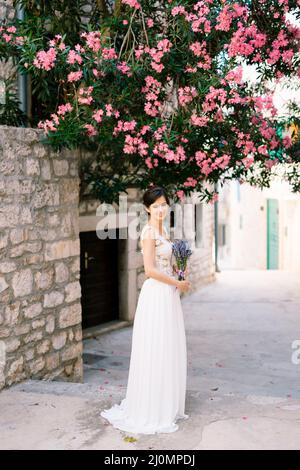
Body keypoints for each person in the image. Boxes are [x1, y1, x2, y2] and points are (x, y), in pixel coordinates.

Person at [100, 186, 191, 434]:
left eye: (164, 204)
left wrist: (181, 273)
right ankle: (152, 407)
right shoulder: (149, 232)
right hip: (156, 294)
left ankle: (166, 402)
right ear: (147, 209)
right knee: (156, 345)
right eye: (156, 206)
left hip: (168, 294)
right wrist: (177, 282)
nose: (161, 209)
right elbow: (150, 270)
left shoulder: (164, 230)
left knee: (168, 345)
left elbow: (168, 264)